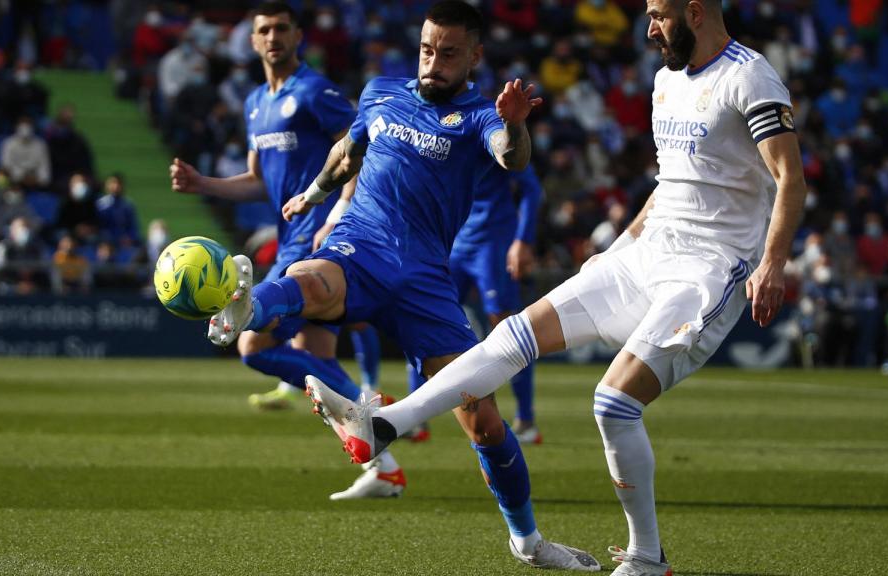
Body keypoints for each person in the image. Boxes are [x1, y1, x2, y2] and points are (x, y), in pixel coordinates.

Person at [307, 1, 806, 575]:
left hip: (708, 270)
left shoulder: (749, 75)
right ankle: (383, 425)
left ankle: (646, 557)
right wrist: (620, 248)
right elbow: (670, 185)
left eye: (657, 14)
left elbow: (789, 175)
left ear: (694, 12)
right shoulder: (666, 79)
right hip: (644, 255)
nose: (648, 28)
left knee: (613, 403)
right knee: (513, 334)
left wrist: (773, 262)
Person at [208, 1, 599, 571]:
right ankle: (242, 310)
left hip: (424, 278)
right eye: (426, 49)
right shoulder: (379, 92)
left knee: (484, 422)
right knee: (310, 279)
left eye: (448, 53)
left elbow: (511, 159)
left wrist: (514, 122)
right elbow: (348, 153)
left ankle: (529, 543)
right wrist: (314, 196)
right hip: (361, 243)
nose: (433, 62)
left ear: (474, 57)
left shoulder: (477, 114)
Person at [168, 2, 396, 499]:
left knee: (252, 345)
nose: (272, 37)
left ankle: (374, 420)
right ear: (251, 41)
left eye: (281, 29)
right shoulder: (255, 102)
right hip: (293, 235)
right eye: (263, 30)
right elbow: (257, 181)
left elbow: (362, 151)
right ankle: (382, 460)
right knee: (314, 360)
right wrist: (201, 183)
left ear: (298, 36)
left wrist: (338, 215)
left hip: (320, 239)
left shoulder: (314, 91)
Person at [405, 162, 543, 444]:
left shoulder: (493, 129)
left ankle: (526, 420)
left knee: (506, 326)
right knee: (424, 318)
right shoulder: (446, 132)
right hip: (455, 242)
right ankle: (414, 421)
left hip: (494, 242)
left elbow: (532, 188)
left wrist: (523, 240)